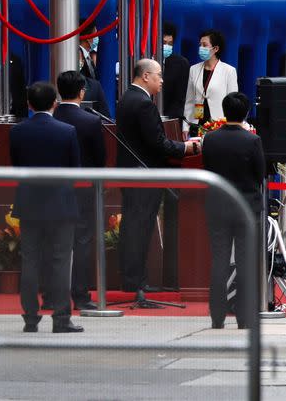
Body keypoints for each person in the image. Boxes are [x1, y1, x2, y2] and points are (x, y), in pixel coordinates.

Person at [116, 59, 196, 295]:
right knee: (139, 228)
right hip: (144, 174)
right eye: (159, 75)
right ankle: (136, 282)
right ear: (145, 76)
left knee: (132, 227)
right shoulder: (143, 104)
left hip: (131, 172)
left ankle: (131, 279)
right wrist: (185, 148)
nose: (162, 80)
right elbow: (157, 143)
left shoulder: (126, 99)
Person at [10, 82, 83, 333]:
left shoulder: (17, 131)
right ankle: (61, 318)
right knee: (61, 260)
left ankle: (30, 318)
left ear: (29, 104)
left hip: (29, 202)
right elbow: (75, 169)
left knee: (29, 260)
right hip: (61, 203)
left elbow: (16, 165)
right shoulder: (67, 131)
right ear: (55, 103)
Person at [202, 92, 265, 329]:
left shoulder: (210, 138)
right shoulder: (252, 140)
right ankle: (244, 316)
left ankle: (217, 315)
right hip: (246, 207)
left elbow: (208, 167)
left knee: (218, 260)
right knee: (245, 261)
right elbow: (260, 174)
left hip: (217, 204)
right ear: (246, 112)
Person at [54, 71, 106, 311]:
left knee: (54, 240)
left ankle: (52, 294)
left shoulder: (52, 118)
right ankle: (81, 295)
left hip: (53, 189)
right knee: (82, 241)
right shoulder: (91, 121)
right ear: (82, 91)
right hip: (84, 188)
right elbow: (100, 159)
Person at [183, 29, 239, 138]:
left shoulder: (229, 71)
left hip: (219, 124)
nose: (201, 48)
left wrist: (232, 127)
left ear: (216, 49)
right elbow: (189, 101)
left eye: (205, 45)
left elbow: (233, 103)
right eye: (200, 45)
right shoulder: (193, 69)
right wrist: (185, 127)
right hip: (197, 124)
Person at [161, 22, 190, 121]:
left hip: (169, 118)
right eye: (164, 43)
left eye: (170, 44)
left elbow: (180, 99)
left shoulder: (181, 64)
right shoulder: (144, 60)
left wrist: (168, 120)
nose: (167, 46)